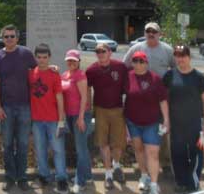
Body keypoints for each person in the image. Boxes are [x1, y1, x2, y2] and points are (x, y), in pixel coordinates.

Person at [123, 22, 175, 175]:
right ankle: (143, 165)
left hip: (160, 98)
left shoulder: (167, 50)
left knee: (162, 131)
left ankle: (164, 162)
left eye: (154, 31)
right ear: (144, 33)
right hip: (139, 99)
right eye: (148, 31)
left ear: (159, 33)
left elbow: (175, 68)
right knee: (139, 135)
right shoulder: (136, 49)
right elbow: (124, 66)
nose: (151, 33)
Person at [0, 24, 37, 191]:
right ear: (2, 38)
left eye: (12, 36)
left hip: (25, 107)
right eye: (6, 36)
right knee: (8, 144)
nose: (9, 39)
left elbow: (38, 72)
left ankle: (22, 177)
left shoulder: (26, 54)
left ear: (17, 38)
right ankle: (10, 177)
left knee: (24, 144)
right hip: (7, 108)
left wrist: (52, 69)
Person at [163, 45, 204, 193]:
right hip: (176, 124)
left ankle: (193, 183)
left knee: (196, 154)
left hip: (195, 124)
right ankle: (181, 182)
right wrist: (166, 121)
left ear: (189, 57)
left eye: (183, 55)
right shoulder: (169, 75)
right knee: (177, 154)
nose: (180, 59)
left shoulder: (199, 77)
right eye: (177, 55)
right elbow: (163, 100)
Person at [124, 51, 170, 194]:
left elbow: (163, 101)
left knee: (153, 153)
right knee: (138, 150)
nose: (138, 64)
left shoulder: (155, 79)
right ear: (132, 63)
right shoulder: (127, 77)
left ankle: (154, 184)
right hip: (132, 122)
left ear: (146, 63)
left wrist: (166, 120)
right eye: (135, 61)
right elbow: (122, 98)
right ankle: (144, 176)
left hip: (152, 123)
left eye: (141, 61)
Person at [86, 43, 128, 190]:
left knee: (118, 143)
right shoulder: (91, 70)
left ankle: (116, 165)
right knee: (103, 142)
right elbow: (87, 89)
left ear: (110, 52)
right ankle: (108, 174)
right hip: (100, 110)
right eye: (97, 51)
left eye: (103, 51)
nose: (100, 53)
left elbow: (127, 89)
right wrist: (88, 108)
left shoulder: (121, 67)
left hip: (117, 109)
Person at [29, 44, 68, 192]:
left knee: (58, 150)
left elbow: (59, 97)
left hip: (53, 120)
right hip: (37, 120)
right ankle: (44, 176)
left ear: (49, 57)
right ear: (35, 58)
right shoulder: (31, 74)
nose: (42, 60)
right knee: (40, 150)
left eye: (45, 57)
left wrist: (61, 119)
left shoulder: (54, 74)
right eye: (39, 57)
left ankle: (62, 178)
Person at [61, 49, 93, 193]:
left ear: (79, 61)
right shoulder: (64, 75)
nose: (71, 62)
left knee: (80, 149)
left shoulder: (81, 75)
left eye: (74, 60)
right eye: (69, 60)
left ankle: (80, 182)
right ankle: (88, 175)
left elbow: (84, 98)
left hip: (80, 115)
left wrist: (81, 117)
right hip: (69, 115)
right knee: (81, 147)